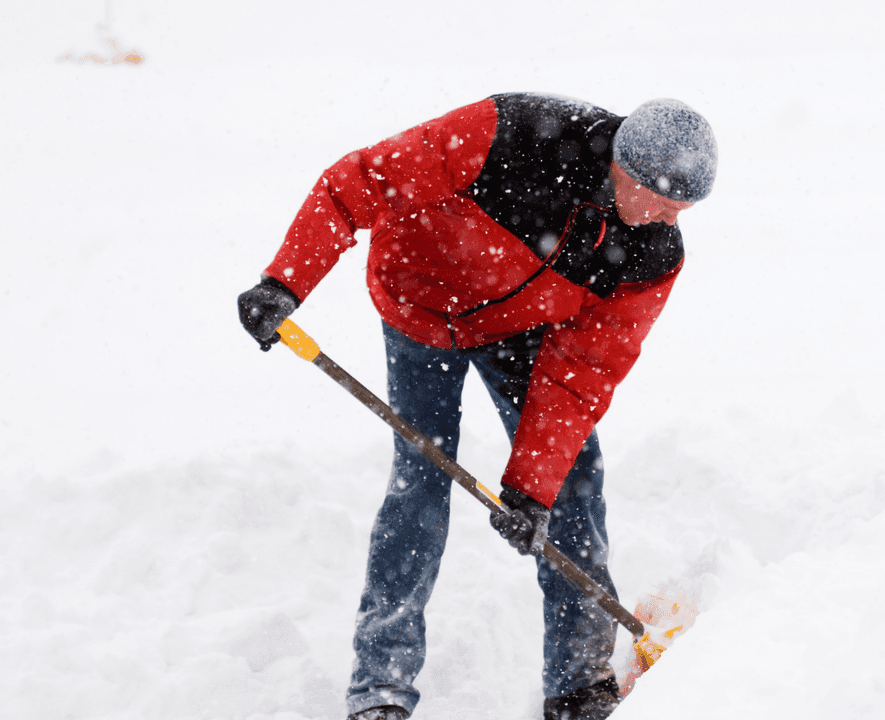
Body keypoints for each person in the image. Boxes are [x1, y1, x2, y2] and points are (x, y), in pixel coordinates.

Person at [237, 93, 717, 720]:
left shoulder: (652, 255)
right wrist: (284, 283)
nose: (659, 217)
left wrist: (529, 490)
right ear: (619, 160)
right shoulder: (514, 134)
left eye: (677, 208)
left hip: (519, 329)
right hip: (419, 308)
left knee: (573, 478)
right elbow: (358, 184)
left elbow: (582, 372)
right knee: (421, 484)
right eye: (650, 195)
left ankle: (579, 684)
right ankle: (380, 688)